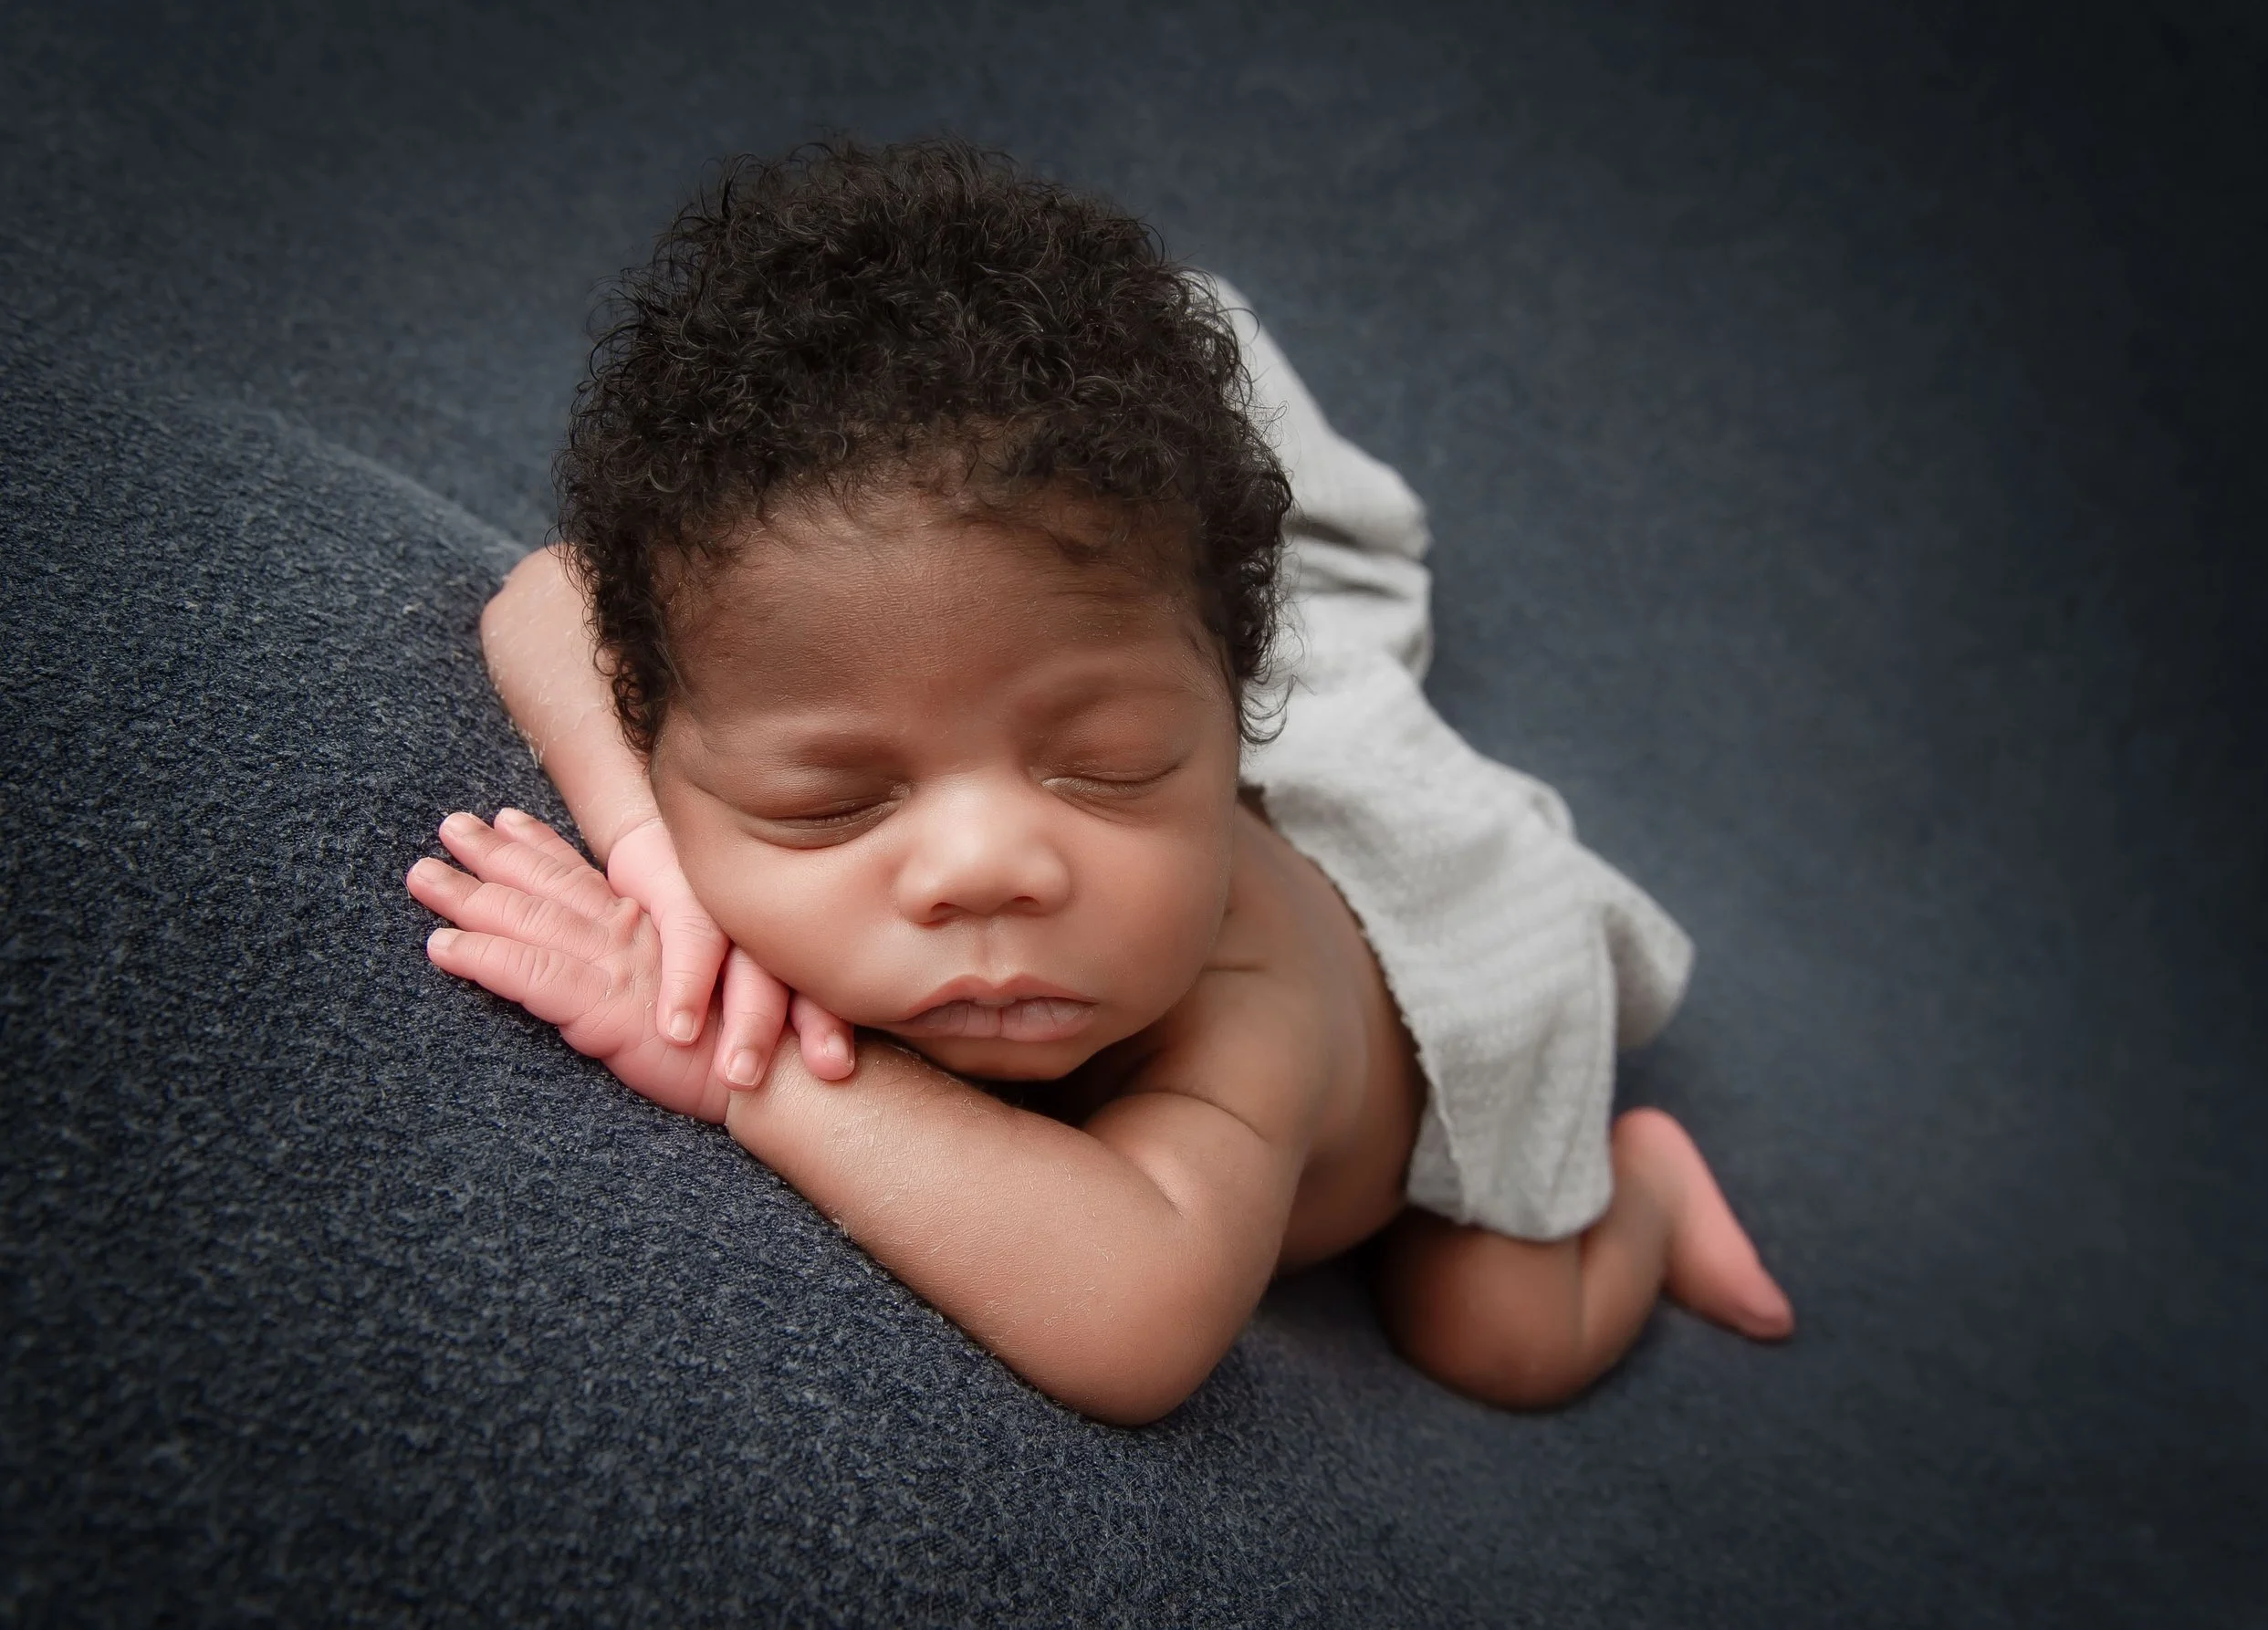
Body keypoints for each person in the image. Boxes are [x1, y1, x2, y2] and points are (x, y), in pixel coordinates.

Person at [406, 139, 1792, 1426]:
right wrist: (648, 853)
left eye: (1111, 770)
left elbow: (1139, 1314)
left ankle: (1646, 1189)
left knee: (1494, 1332)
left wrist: (743, 1072)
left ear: (1233, 721)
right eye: (831, 801)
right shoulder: (716, 727)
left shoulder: (1245, 995)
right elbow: (545, 599)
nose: (986, 866)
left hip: (1455, 981)